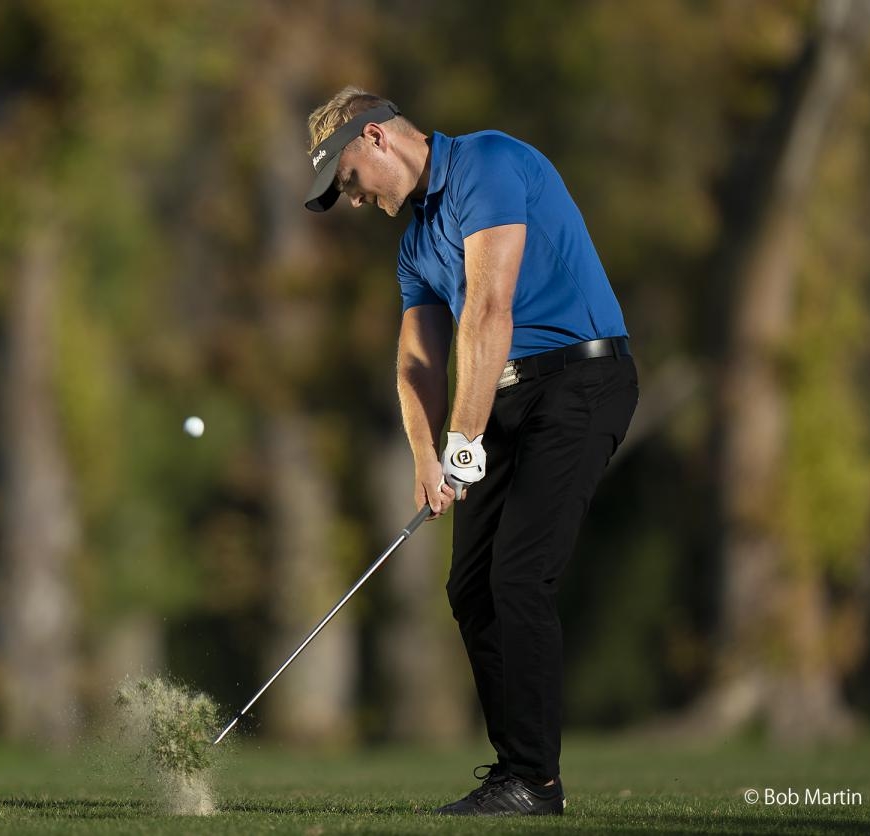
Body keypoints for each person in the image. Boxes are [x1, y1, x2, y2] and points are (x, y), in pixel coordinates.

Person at [304, 86, 639, 817]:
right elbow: (418, 363)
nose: (352, 201)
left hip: (583, 380)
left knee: (520, 576)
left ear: (376, 141)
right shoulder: (416, 245)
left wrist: (463, 441)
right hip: (505, 398)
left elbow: (490, 307)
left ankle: (533, 781)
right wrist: (429, 456)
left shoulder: (486, 162)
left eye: (348, 182)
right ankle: (516, 772)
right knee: (470, 588)